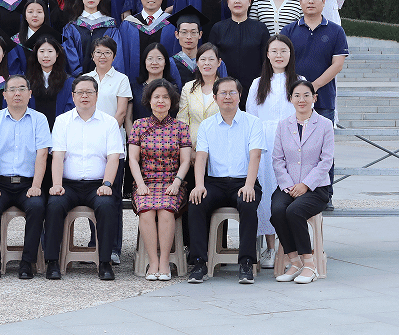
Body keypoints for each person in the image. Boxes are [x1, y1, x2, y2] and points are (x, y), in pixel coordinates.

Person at [187, 77, 267, 284]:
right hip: (215, 183)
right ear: (215, 97)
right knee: (196, 202)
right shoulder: (207, 125)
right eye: (223, 93)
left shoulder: (253, 122)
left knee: (248, 202)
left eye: (232, 92)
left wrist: (249, 185)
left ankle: (246, 262)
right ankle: (199, 262)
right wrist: (199, 185)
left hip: (244, 181)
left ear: (240, 95)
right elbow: (201, 157)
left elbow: (255, 155)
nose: (228, 97)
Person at [46, 75, 123, 280]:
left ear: (97, 95)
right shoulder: (62, 121)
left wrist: (107, 184)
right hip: (68, 185)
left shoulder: (109, 123)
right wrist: (56, 184)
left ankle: (105, 263)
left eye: (89, 92)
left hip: (98, 185)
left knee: (107, 205)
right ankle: (52, 262)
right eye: (80, 92)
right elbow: (58, 156)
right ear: (73, 96)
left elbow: (113, 158)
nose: (85, 96)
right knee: (54, 204)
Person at [0, 75, 52, 279]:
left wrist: (36, 186)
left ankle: (27, 263)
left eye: (22, 89)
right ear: (4, 95)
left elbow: (42, 154)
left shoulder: (39, 119)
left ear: (30, 94)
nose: (17, 93)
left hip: (28, 184)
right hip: (0, 184)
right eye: (12, 89)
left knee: (37, 206)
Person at [128, 80, 192, 281]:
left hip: (172, 182)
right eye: (156, 97)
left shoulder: (181, 127)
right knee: (146, 211)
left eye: (165, 97)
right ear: (149, 100)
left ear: (171, 101)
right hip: (145, 182)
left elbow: (186, 160)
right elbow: (133, 159)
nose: (161, 101)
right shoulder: (139, 125)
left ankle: (164, 262)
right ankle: (153, 261)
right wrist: (140, 184)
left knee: (166, 210)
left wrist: (177, 182)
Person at [271, 80, 333, 284]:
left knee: (294, 211)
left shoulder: (324, 125)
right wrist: (288, 184)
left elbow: (326, 161)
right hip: (288, 185)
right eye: (297, 95)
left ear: (314, 98)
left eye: (306, 95)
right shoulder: (283, 125)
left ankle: (309, 264)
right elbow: (277, 159)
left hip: (316, 188)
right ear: (290, 99)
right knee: (278, 210)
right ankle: (294, 262)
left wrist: (306, 184)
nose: (301, 99)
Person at [283, 0, 349, 123]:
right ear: (300, 2)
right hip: (293, 100)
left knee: (323, 137)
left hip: (324, 100)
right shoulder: (288, 31)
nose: (311, 1)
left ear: (324, 1)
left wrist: (313, 87)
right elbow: (281, 62)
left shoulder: (336, 31)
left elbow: (338, 65)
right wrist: (300, 90)